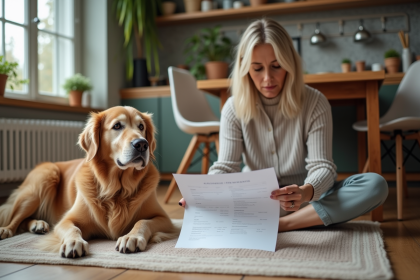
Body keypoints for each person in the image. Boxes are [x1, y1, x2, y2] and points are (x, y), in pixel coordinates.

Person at [179, 18, 388, 232]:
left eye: (276, 66)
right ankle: (306, 221)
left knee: (375, 185)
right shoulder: (233, 108)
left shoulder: (315, 102)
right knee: (212, 202)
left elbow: (322, 166)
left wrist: (305, 191)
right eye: (257, 68)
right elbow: (226, 167)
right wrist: (204, 193)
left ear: (289, 64)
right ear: (245, 69)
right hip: (255, 202)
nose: (267, 78)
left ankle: (282, 225)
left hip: (306, 200)